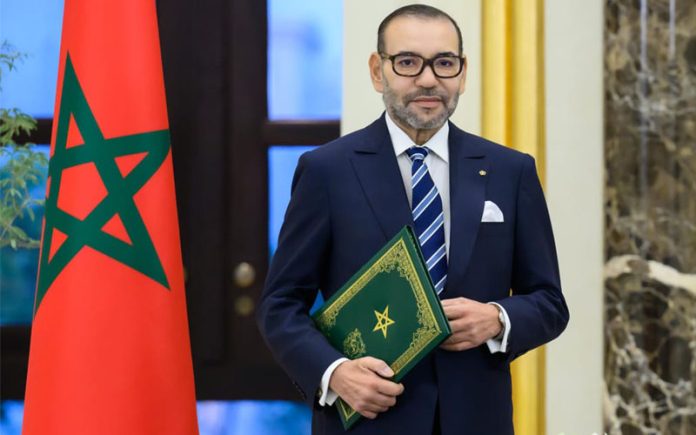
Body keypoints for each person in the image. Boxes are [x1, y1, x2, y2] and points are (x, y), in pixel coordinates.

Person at [257, 4, 569, 435]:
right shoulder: (327, 170)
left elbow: (550, 303)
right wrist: (335, 373)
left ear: (462, 72)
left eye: (444, 63)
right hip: (367, 419)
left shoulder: (510, 171)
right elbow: (280, 306)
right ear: (377, 71)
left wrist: (498, 318)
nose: (428, 79)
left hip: (477, 420)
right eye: (407, 62)